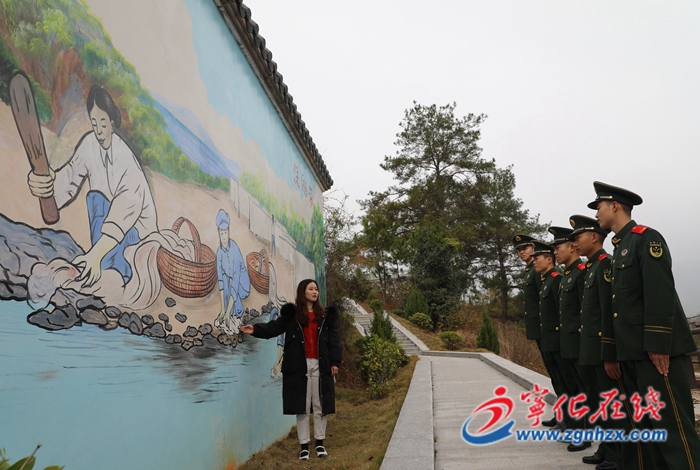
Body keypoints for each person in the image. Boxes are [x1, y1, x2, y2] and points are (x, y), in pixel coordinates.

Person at [589, 181, 700, 470]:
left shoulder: (646, 239)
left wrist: (658, 345)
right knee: (645, 428)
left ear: (615, 206)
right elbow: (618, 307)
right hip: (632, 352)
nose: (596, 213)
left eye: (599, 206)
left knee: (672, 427)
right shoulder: (620, 248)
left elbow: (659, 293)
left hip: (655, 354)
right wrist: (613, 352)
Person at [27, 86, 158, 286]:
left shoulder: (125, 160)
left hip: (136, 239)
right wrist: (47, 181)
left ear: (112, 122)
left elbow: (125, 209)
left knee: (112, 280)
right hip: (108, 239)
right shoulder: (89, 144)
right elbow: (70, 175)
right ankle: (103, 264)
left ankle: (113, 268)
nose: (98, 130)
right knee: (95, 197)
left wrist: (95, 255)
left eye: (103, 123)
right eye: (94, 123)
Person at [241, 279, 342, 461]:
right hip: (298, 366)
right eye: (311, 289)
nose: (315, 292)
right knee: (301, 407)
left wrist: (335, 362)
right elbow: (274, 328)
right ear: (303, 292)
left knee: (320, 405)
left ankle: (320, 443)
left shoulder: (324, 316)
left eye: (316, 289)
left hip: (321, 366)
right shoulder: (292, 316)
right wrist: (255, 329)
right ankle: (304, 446)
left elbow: (334, 340)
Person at [569, 215, 624, 470]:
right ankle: (606, 447)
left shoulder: (604, 265)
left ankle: (616, 455)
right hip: (590, 348)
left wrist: (609, 352)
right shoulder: (591, 268)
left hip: (601, 348)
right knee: (598, 401)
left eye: (578, 237)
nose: (575, 243)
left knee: (609, 402)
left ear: (594, 237)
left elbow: (608, 312)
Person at [513, 234, 559, 427]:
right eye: (518, 250)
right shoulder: (531, 271)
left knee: (560, 375)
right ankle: (561, 414)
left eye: (525, 248)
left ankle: (567, 417)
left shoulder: (539, 272)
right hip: (541, 331)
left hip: (548, 330)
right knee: (555, 375)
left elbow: (547, 302)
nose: (521, 252)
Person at [549, 225, 589, 446]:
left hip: (580, 342)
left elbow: (586, 312)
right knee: (575, 388)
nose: (555, 252)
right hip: (569, 343)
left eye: (558, 247)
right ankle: (576, 428)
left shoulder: (581, 272)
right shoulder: (567, 275)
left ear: (572, 247)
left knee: (584, 389)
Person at [531, 240, 570, 431]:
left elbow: (561, 313)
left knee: (566, 382)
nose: (534, 262)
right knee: (557, 380)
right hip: (549, 340)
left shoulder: (555, 280)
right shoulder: (546, 281)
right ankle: (561, 416)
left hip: (557, 341)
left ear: (548, 259)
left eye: (537, 258)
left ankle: (569, 420)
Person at [214, 209, 250, 334]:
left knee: (230, 283)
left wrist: (228, 312)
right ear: (218, 234)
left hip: (242, 285)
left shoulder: (234, 249)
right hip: (229, 281)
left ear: (229, 232)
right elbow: (220, 281)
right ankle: (226, 312)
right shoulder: (219, 252)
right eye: (221, 233)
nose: (224, 236)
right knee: (224, 279)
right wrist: (222, 309)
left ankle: (234, 313)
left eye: (225, 232)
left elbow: (236, 280)